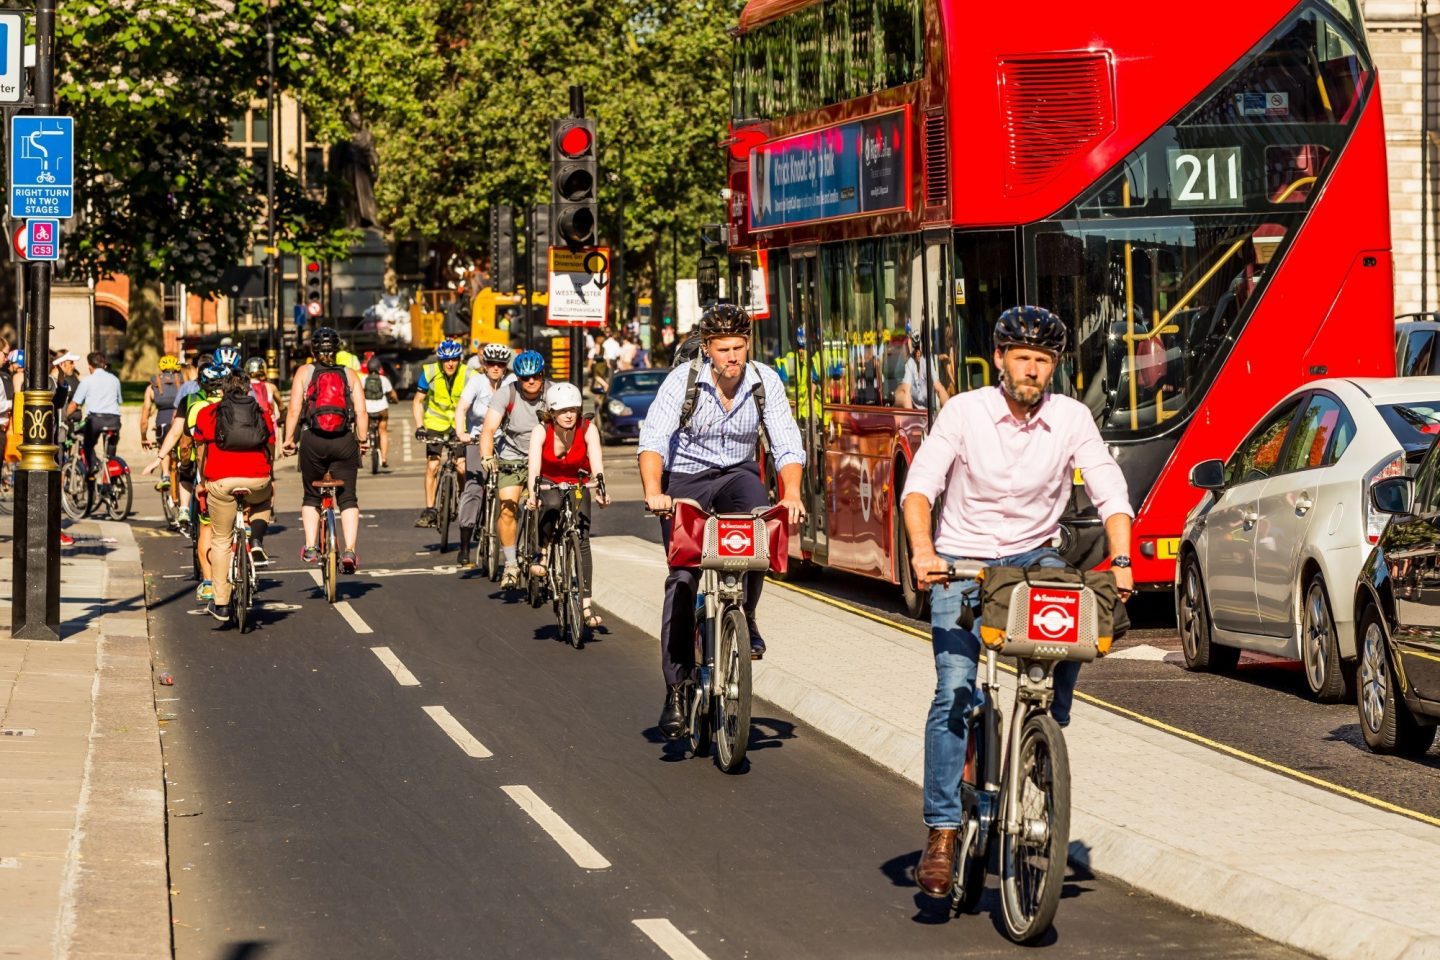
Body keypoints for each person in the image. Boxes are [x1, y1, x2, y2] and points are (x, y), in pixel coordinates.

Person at [899, 305, 1135, 899]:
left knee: (1080, 604)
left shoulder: (1071, 417)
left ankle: (1045, 723)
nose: (1032, 370)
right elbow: (920, 487)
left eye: (1043, 361)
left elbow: (1109, 488)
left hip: (1033, 555)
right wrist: (925, 555)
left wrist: (1124, 559)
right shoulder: (964, 412)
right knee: (954, 690)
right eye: (1022, 358)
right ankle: (944, 829)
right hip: (960, 560)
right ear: (1000, 359)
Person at [637, 304, 806, 739]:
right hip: (686, 478)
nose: (732, 356)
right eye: (723, 349)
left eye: (739, 347)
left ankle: (745, 614)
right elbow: (654, 439)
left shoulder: (764, 381)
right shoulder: (684, 381)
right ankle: (676, 689)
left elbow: (786, 441)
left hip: (737, 474)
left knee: (761, 530)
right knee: (682, 578)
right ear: (707, 349)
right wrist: (655, 493)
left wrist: (790, 495)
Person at [185, 370, 276, 622]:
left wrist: (203, 480)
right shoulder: (261, 413)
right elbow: (270, 446)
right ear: (248, 389)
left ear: (223, 389)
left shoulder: (207, 414)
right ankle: (256, 541)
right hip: (257, 479)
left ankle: (222, 604)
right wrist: (269, 472)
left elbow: (201, 451)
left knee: (222, 539)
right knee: (265, 499)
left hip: (221, 482)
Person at [282, 327, 369, 573]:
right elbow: (361, 411)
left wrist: (289, 439)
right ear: (337, 349)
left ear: (313, 350)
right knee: (348, 497)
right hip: (343, 441)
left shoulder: (304, 372)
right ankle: (350, 551)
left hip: (313, 440)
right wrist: (361, 440)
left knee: (311, 495)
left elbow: (294, 410)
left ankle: (311, 547)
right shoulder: (349, 374)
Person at [525, 382, 610, 628]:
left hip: (578, 482)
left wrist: (601, 490)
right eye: (562, 411)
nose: (569, 414)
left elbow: (596, 464)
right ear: (552, 413)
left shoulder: (587, 428)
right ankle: (542, 552)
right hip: (549, 482)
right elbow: (534, 468)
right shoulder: (541, 431)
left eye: (573, 409)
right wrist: (532, 494)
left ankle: (586, 605)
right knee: (550, 504)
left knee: (582, 539)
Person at [145, 363, 228, 600]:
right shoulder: (234, 400)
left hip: (206, 470)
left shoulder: (191, 402)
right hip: (237, 468)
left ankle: (210, 582)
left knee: (206, 528)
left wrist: (159, 458)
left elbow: (176, 434)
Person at [478, 349, 549, 588]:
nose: (531, 382)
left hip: (545, 455)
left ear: (543, 375)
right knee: (508, 508)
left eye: (536, 376)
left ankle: (546, 553)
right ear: (517, 378)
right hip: (512, 456)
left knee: (549, 506)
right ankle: (510, 564)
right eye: (525, 378)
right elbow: (488, 429)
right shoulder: (506, 394)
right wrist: (487, 455)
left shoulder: (554, 393)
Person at [452, 343, 512, 568]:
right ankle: (465, 545)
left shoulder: (510, 383)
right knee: (474, 489)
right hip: (477, 439)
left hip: (504, 442)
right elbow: (462, 409)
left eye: (500, 364)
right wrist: (462, 433)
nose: (495, 368)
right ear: (484, 364)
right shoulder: (476, 382)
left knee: (509, 489)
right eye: (491, 363)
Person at [412, 339, 470, 528]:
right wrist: (420, 426)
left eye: (454, 359)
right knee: (433, 466)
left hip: (460, 425)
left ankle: (463, 499)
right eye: (446, 360)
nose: (450, 364)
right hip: (436, 424)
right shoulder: (429, 372)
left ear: (459, 359)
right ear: (440, 361)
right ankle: (430, 509)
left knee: (461, 467)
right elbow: (418, 401)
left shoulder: (469, 374)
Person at [66, 352, 124, 489]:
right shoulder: (114, 379)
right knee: (110, 449)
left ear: (90, 366)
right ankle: (110, 473)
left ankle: (92, 468)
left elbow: (74, 404)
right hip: (114, 420)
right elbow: (119, 400)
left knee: (87, 444)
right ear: (104, 365)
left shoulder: (87, 381)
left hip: (96, 420)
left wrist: (64, 416)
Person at [141, 356, 186, 452]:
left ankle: (165, 467)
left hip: (162, 426)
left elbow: (144, 418)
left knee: (163, 451)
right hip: (182, 425)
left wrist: (143, 437)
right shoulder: (185, 385)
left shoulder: (152, 388)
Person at [362, 357, 399, 468]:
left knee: (365, 429)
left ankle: (365, 445)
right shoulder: (384, 380)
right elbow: (392, 394)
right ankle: (383, 458)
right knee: (383, 431)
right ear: (379, 368)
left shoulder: (363, 380)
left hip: (368, 410)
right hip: (382, 409)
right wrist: (395, 400)